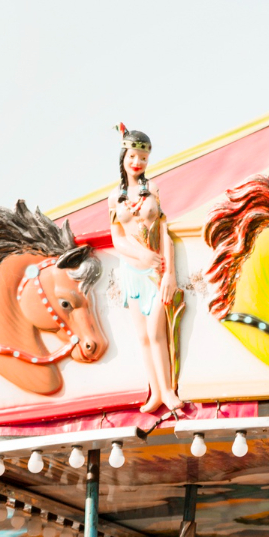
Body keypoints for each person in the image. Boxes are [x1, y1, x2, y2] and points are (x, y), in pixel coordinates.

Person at [108, 124, 182, 413]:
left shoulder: (153, 190)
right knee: (141, 337)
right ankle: (154, 391)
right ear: (124, 156)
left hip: (156, 271)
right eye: (133, 156)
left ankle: (167, 390)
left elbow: (164, 230)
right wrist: (138, 253)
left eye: (143, 158)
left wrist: (169, 273)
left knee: (156, 334)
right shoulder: (115, 198)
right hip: (132, 271)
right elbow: (117, 238)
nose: (137, 163)